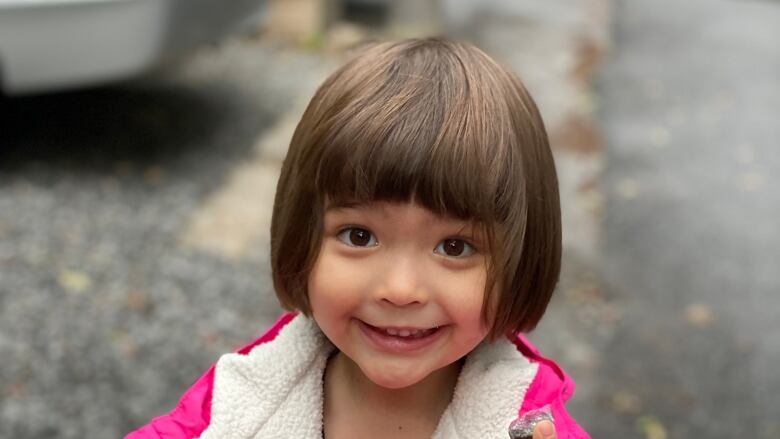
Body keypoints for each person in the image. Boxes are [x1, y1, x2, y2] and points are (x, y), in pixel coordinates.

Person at [126, 38, 589, 439]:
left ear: (521, 261)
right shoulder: (238, 404)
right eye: (360, 235)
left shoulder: (530, 428)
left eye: (455, 247)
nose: (400, 289)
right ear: (300, 236)